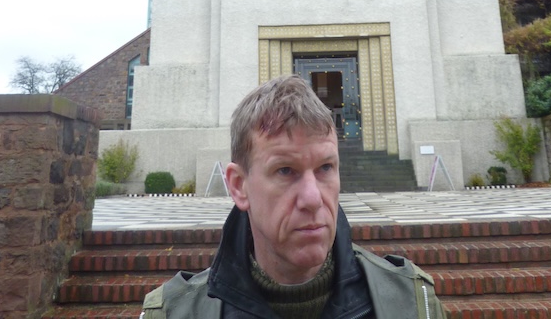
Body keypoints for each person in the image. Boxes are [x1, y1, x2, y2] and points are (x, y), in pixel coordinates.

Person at [140, 75, 444, 319]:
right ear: (239, 186)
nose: (312, 199)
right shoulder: (174, 312)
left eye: (325, 167)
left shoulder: (413, 304)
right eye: (285, 170)